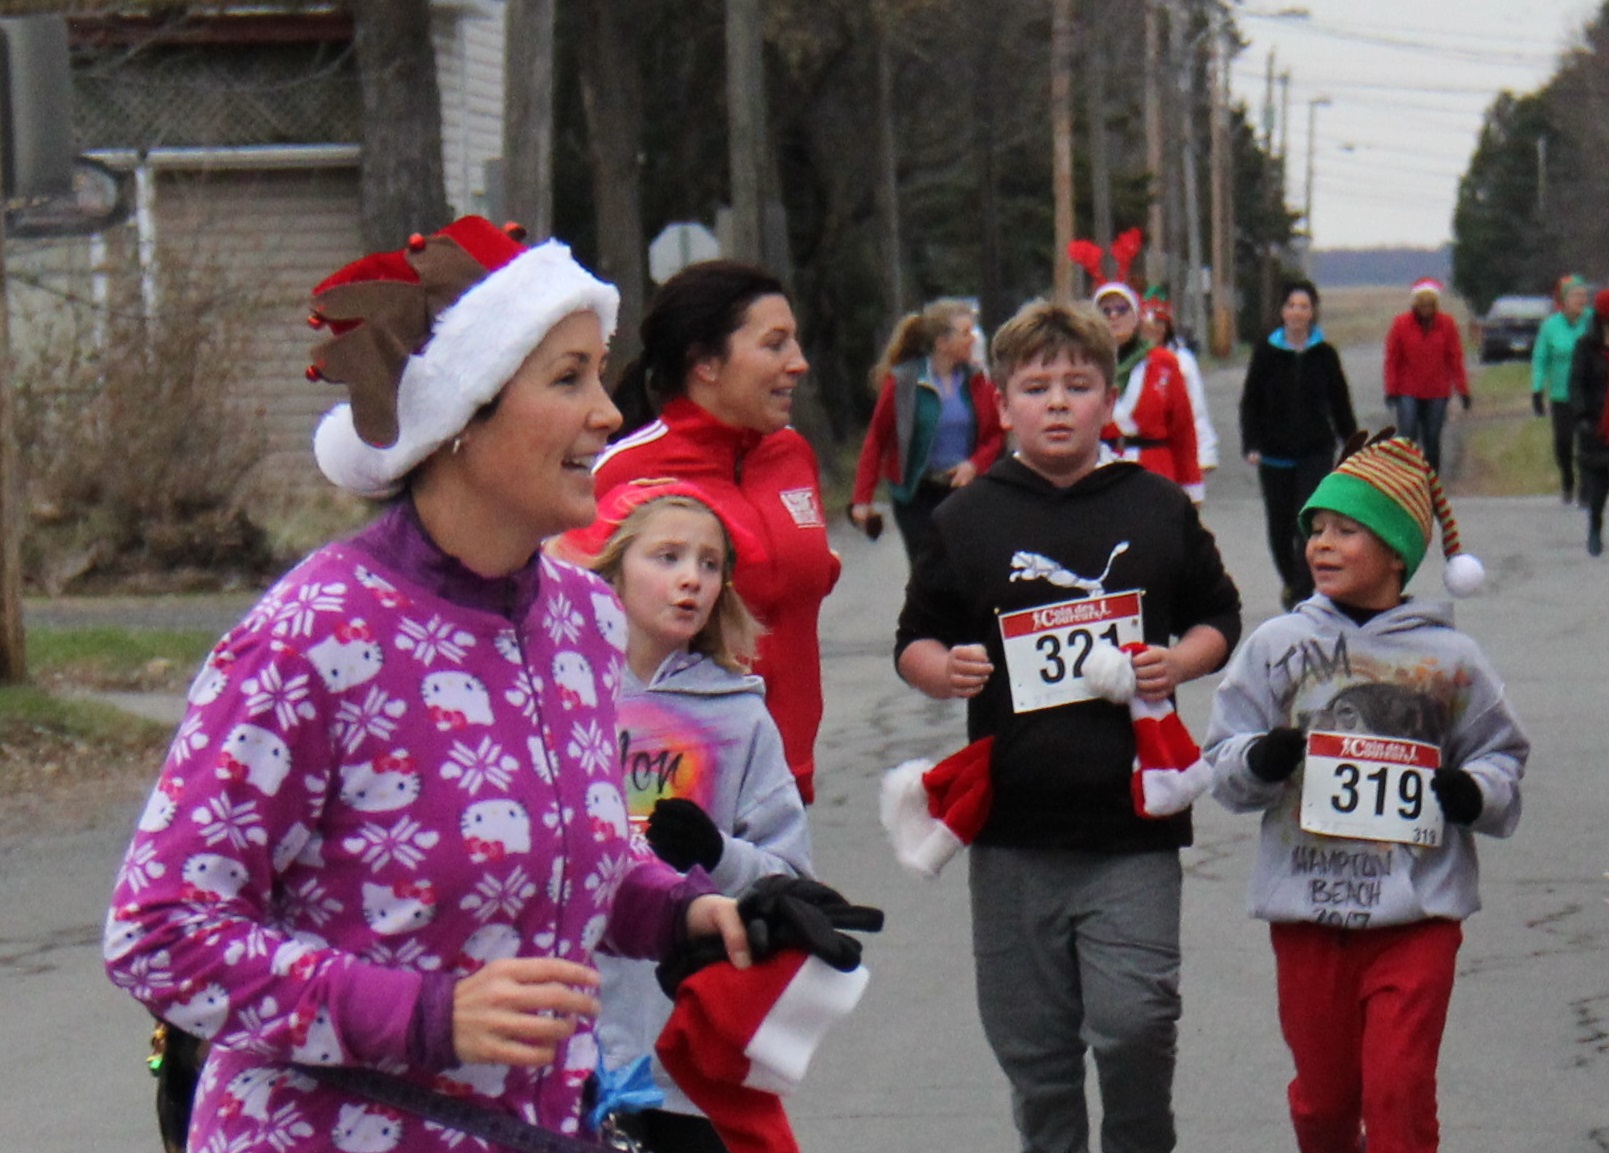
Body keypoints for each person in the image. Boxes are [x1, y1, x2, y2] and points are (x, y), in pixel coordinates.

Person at [102, 217, 750, 1153]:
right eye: (567, 378)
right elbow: (160, 929)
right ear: (459, 419)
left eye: (597, 372)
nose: (607, 413)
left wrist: (689, 912)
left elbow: (561, 865)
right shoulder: (315, 635)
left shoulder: (582, 619)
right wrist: (422, 1013)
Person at [894, 299, 1241, 1153]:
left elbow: (1218, 616)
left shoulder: (1154, 505)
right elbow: (915, 639)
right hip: (1011, 828)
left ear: (1107, 401)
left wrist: (1179, 661)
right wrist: (945, 669)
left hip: (1132, 820)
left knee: (1132, 1022)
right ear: (1001, 400)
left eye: (1077, 385)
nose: (1057, 402)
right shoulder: (968, 518)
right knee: (1036, 1054)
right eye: (1036, 386)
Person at [1204, 430, 1526, 1153]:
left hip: (1416, 913)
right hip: (1306, 913)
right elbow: (1221, 758)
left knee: (1397, 1091)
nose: (1321, 543)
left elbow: (1500, 758)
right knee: (1322, 1105)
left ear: (1394, 552)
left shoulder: (1450, 660)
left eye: (1345, 530)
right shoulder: (1275, 647)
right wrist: (1262, 757)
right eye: (1314, 528)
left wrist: (1472, 793)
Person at [555, 478, 813, 1153]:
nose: (689, 579)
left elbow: (790, 876)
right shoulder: (557, 698)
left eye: (708, 563)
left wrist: (717, 853)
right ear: (612, 567)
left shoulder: (737, 715)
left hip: (684, 1049)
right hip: (563, 1039)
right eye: (666, 556)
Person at [596, 262, 840, 804]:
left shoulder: (793, 456)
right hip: (671, 784)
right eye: (774, 345)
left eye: (795, 343)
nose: (798, 363)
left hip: (785, 776)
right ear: (705, 362)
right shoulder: (624, 472)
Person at [850, 299, 1004, 563]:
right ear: (942, 343)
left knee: (967, 566)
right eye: (965, 333)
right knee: (928, 568)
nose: (973, 339)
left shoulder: (978, 381)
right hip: (916, 494)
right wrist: (862, 500)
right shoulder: (903, 382)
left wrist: (974, 465)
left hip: (964, 491)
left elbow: (995, 436)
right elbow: (877, 439)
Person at [1239, 279, 1359, 609]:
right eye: (1292, 306)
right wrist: (1251, 442)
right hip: (1274, 454)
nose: (1297, 312)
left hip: (1315, 452)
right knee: (1280, 529)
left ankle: (1305, 592)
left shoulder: (1324, 354)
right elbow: (1251, 401)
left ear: (1312, 313)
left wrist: (1353, 444)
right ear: (1282, 311)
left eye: (1304, 307)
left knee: (1307, 522)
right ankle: (1293, 582)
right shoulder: (1267, 352)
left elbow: (1340, 403)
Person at [1093, 280, 1204, 503]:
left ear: (1136, 316)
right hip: (1100, 471)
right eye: (1106, 310)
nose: (1114, 316)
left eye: (1122, 309)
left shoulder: (1164, 363)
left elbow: (1183, 430)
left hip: (1155, 471)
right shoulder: (1086, 364)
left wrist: (1191, 487)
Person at [1384, 277, 1470, 473]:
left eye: (1430, 304)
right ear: (1415, 304)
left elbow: (1455, 358)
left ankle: (1431, 483)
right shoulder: (1401, 324)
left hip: (1437, 391)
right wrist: (1391, 389)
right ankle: (1407, 479)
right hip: (1408, 390)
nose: (1426, 307)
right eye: (1422, 303)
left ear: (1435, 304)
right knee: (1408, 436)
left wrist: (1462, 389)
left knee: (1432, 438)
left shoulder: (1447, 324)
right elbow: (1392, 360)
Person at [1139, 290, 1220, 482]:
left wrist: (1204, 452)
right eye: (1148, 323)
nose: (1154, 329)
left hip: (1171, 449)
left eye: (1160, 323)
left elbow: (1195, 408)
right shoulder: (1127, 361)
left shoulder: (1182, 361)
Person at [1531, 273, 1594, 504]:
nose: (1581, 300)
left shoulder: (1593, 322)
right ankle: (1568, 479)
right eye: (1576, 295)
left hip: (1589, 394)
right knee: (1564, 442)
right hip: (1561, 395)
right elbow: (1540, 359)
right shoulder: (1550, 326)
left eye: (1584, 295)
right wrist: (1537, 390)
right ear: (1564, 300)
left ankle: (1587, 486)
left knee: (1588, 442)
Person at [1567, 288, 1609, 556]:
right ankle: (1595, 525)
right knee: (1598, 483)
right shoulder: (1586, 346)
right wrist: (1582, 415)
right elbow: (1576, 383)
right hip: (1595, 423)